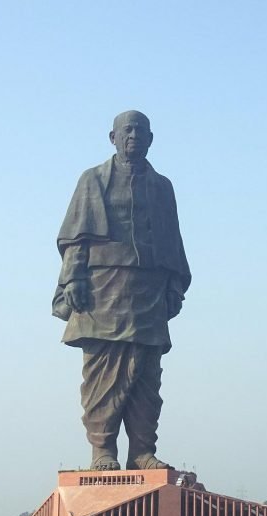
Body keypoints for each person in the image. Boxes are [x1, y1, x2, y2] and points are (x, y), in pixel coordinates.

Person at [51, 111, 190, 471]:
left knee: (147, 374)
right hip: (103, 290)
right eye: (126, 130)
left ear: (150, 138)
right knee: (103, 372)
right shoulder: (92, 180)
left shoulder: (162, 187)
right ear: (112, 137)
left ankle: (142, 451)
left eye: (140, 130)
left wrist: (174, 284)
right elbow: (76, 238)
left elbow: (172, 241)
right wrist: (74, 280)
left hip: (148, 291)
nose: (134, 135)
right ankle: (103, 450)